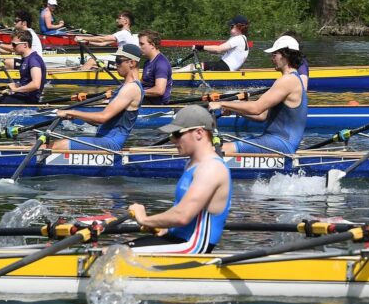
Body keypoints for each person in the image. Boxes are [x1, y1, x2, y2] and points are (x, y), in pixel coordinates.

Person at [128, 106, 232, 254]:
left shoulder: (211, 168)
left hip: (193, 247)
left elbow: (182, 216)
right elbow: (181, 210)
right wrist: (165, 228)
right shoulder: (192, 164)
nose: (172, 140)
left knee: (113, 254)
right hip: (178, 239)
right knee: (109, 251)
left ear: (199, 133)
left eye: (177, 134)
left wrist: (143, 219)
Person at [209, 37, 307, 155]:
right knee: (224, 145)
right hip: (275, 141)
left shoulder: (288, 80)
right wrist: (235, 109)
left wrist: (221, 103)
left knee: (212, 151)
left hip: (280, 144)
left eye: (274, 54)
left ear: (286, 55)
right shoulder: (291, 79)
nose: (272, 58)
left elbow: (256, 108)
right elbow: (262, 115)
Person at [51, 44, 144, 151]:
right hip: (103, 139)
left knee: (58, 146)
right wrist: (77, 116)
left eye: (118, 60)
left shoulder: (131, 88)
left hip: (111, 143)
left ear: (132, 63)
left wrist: (71, 112)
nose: (116, 64)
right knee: (53, 144)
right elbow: (103, 121)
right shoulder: (126, 87)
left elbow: (102, 118)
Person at [0, 30, 46, 105]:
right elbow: (26, 82)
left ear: (25, 45)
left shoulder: (33, 60)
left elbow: (36, 85)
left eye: (14, 44)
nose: (12, 47)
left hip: (27, 99)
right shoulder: (26, 59)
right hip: (22, 96)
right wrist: (17, 85)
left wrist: (16, 89)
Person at [139, 29, 172, 105]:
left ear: (152, 45)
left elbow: (159, 90)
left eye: (142, 44)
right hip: (145, 100)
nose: (139, 47)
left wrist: (137, 92)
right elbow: (141, 84)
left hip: (157, 105)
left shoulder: (161, 63)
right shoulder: (147, 62)